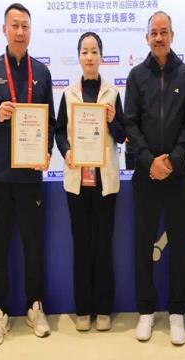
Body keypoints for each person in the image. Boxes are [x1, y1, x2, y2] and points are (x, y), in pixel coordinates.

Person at [0, 3, 56, 348]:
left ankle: (35, 307)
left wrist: (46, 150)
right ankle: (0, 313)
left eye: (25, 26)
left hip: (31, 178)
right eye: (14, 25)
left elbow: (51, 122)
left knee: (34, 247)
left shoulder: (42, 72)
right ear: (4, 29)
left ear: (30, 31)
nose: (20, 32)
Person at [124, 11, 185, 345]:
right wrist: (148, 161)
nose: (159, 37)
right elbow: (130, 123)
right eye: (153, 33)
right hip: (145, 175)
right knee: (144, 244)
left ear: (172, 35)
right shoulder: (136, 76)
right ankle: (146, 310)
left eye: (164, 32)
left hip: (177, 174)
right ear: (146, 37)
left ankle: (177, 312)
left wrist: (172, 159)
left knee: (179, 245)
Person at [55, 32, 126, 332]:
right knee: (82, 245)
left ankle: (104, 308)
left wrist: (112, 119)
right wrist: (67, 151)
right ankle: (83, 308)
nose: (89, 57)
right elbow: (59, 131)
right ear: (78, 56)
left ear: (101, 56)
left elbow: (122, 134)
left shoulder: (112, 94)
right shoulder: (68, 94)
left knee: (103, 245)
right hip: (77, 183)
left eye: (94, 51)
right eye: (84, 51)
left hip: (104, 182)